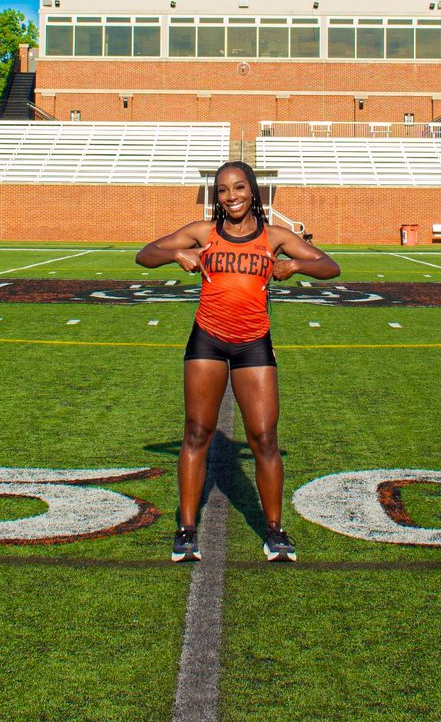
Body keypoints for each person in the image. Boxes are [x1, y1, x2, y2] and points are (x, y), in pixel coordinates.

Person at [136, 160, 340, 563]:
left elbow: (329, 266)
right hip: (207, 342)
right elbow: (145, 255)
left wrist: (296, 264)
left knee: (264, 438)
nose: (232, 197)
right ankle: (187, 530)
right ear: (217, 196)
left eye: (239, 188)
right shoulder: (203, 233)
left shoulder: (275, 236)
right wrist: (179, 255)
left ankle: (276, 531)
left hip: (253, 345)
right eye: (224, 190)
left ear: (253, 192)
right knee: (196, 432)